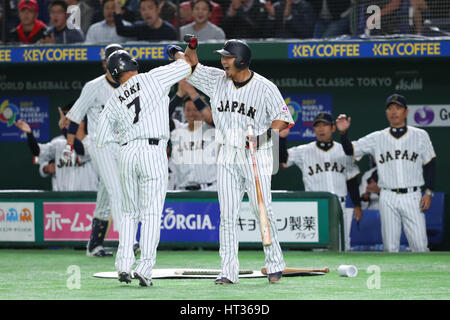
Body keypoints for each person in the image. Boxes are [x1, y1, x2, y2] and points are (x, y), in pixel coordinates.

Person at [184, 37, 294, 284]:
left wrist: (263, 137)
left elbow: (283, 118)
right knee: (228, 214)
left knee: (261, 209)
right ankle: (228, 270)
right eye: (222, 56)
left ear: (242, 60)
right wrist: (190, 48)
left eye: (228, 57)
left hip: (257, 153)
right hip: (227, 153)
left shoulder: (265, 87)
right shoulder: (216, 79)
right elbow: (191, 64)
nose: (223, 61)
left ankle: (275, 263)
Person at [96, 47, 195, 286]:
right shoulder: (151, 77)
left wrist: (125, 132)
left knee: (129, 213)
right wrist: (177, 53)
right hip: (152, 150)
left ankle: (123, 264)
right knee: (150, 213)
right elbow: (187, 66)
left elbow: (101, 139)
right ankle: (145, 268)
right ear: (132, 64)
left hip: (127, 151)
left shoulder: (113, 100)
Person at [336, 93, 436, 252]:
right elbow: (350, 150)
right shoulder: (377, 137)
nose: (394, 111)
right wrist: (343, 134)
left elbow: (430, 164)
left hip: (413, 195)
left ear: (406, 112)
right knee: (390, 247)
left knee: (420, 246)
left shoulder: (420, 135)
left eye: (398, 108)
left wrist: (429, 192)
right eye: (390, 108)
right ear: (386, 112)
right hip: (387, 196)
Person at [62, 43, 123, 258]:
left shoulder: (130, 85)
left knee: (107, 192)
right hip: (99, 143)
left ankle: (94, 245)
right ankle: (128, 241)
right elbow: (75, 116)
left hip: (121, 145)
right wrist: (69, 146)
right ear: (105, 62)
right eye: (112, 58)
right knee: (117, 189)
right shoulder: (93, 86)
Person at [279, 112, 362, 251]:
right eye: (317, 126)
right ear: (314, 129)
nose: (321, 129)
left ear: (333, 128)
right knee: (319, 249)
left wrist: (357, 204)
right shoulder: (304, 151)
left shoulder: (343, 150)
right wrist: (281, 139)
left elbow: (352, 179)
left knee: (342, 246)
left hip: (340, 204)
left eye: (325, 125)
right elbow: (283, 160)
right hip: (316, 207)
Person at [14, 103, 99, 192]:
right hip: (62, 199)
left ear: (82, 122)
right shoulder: (59, 142)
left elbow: (81, 150)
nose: (66, 121)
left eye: (70, 118)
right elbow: (37, 151)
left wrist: (64, 130)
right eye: (66, 118)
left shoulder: (94, 141)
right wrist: (29, 134)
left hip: (87, 199)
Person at [168, 80, 216, 191]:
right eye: (188, 110)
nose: (191, 113)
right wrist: (179, 95)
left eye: (195, 110)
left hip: (209, 190)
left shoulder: (212, 128)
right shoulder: (177, 128)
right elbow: (163, 117)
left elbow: (210, 117)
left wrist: (192, 92)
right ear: (183, 111)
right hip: (183, 191)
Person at [113, 0, 177, 41]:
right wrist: (117, 11)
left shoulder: (170, 30)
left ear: (158, 10)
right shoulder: (139, 27)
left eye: (150, 8)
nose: (146, 12)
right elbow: (121, 30)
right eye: (143, 9)